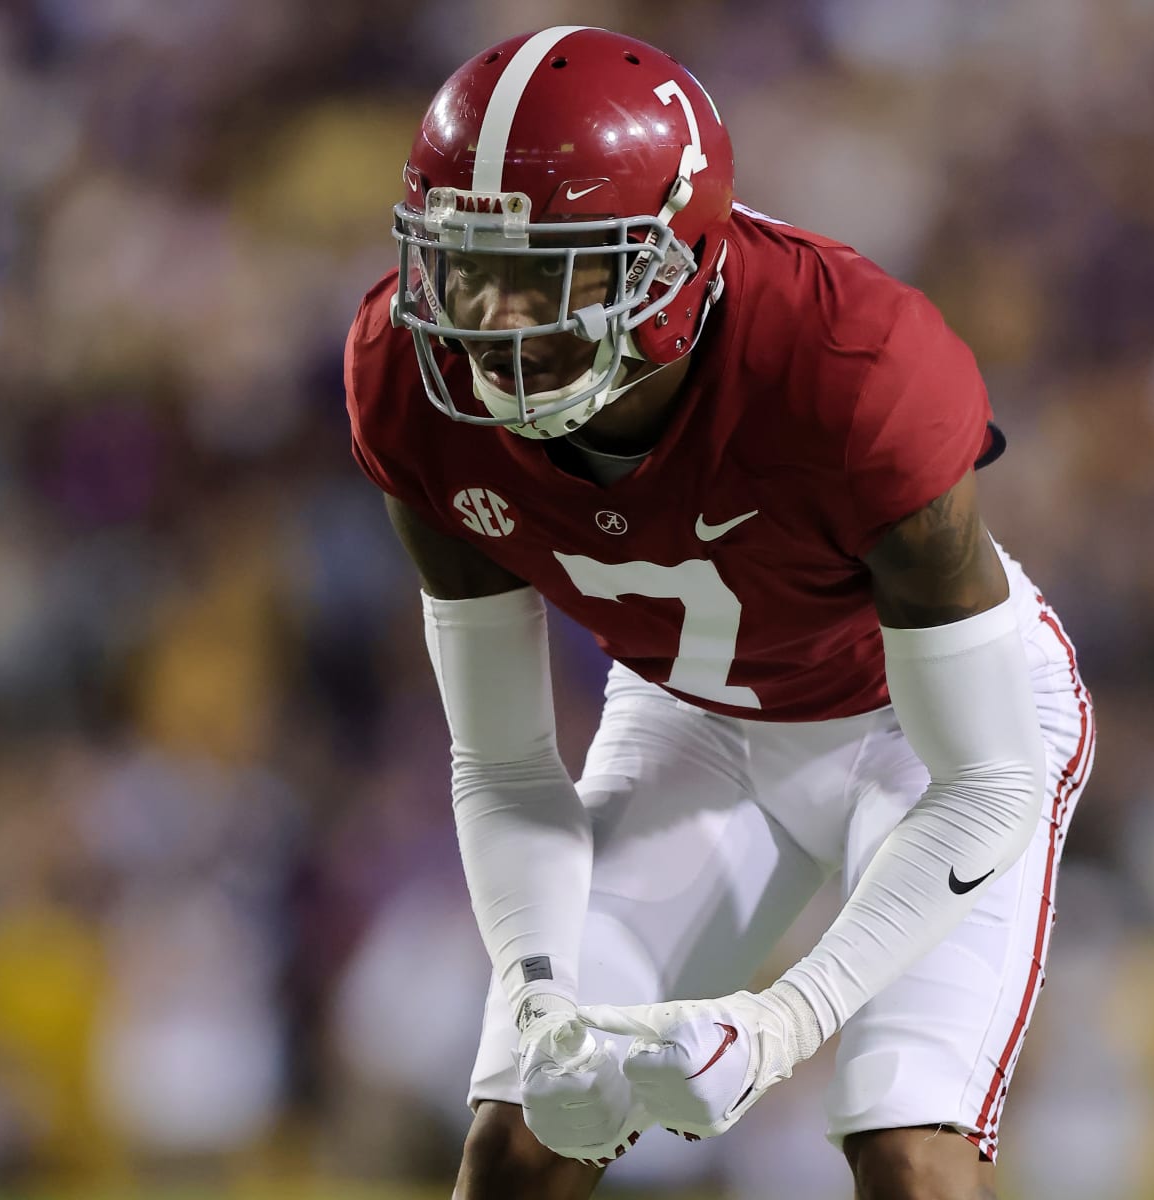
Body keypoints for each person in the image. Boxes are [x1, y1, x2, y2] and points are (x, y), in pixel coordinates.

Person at [343, 25, 1093, 1200]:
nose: (490, 319)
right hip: (696, 716)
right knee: (524, 1132)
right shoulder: (406, 381)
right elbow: (502, 766)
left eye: (547, 271)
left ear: (672, 260)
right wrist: (541, 994)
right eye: (467, 264)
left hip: (930, 739)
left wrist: (784, 1024)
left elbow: (987, 781)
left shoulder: (851, 362)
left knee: (907, 1142)